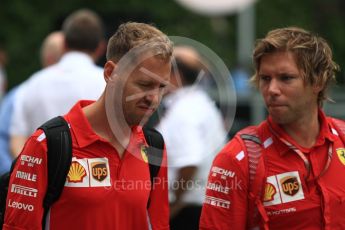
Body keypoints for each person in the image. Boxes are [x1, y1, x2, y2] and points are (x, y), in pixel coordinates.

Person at [4, 21, 173, 230]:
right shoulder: (46, 145)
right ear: (111, 73)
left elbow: (158, 225)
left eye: (162, 87)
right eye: (144, 84)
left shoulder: (153, 145)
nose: (154, 98)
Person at [200, 27, 345, 229]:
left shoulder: (342, 139)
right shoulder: (238, 158)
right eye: (265, 79)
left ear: (318, 81)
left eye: (286, 78)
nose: (272, 90)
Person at [9, 9, 106, 157]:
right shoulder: (107, 84)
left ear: (64, 44)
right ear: (101, 48)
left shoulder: (33, 83)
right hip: (95, 176)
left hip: (41, 174)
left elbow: (16, 139)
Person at [157, 46, 226, 230]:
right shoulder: (201, 104)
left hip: (186, 212)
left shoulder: (184, 110)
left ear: (175, 75)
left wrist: (175, 204)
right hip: (200, 207)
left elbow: (189, 162)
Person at [0, 31, 65, 175]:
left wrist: (14, 178)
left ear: (46, 58)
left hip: (30, 178)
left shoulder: (21, 92)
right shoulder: (99, 83)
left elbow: (3, 141)